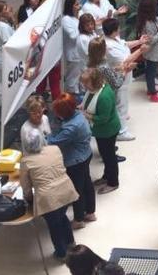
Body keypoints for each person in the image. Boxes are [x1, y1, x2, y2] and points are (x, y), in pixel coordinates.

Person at [20, 128, 78, 259]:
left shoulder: (26, 160)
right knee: (62, 217)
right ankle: (71, 244)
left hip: (47, 197)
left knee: (54, 225)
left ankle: (62, 254)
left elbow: (26, 186)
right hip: (66, 190)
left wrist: (29, 199)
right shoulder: (55, 149)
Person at [48, 93, 96, 230]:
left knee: (76, 191)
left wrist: (43, 136)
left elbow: (54, 142)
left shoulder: (71, 127)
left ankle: (79, 219)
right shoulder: (79, 115)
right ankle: (90, 212)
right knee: (87, 184)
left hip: (75, 161)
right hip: (86, 154)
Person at [103, 18, 148, 141]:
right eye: (118, 28)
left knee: (121, 103)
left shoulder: (115, 39)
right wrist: (140, 50)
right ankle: (121, 132)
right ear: (114, 30)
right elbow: (125, 61)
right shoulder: (109, 46)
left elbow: (125, 44)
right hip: (118, 78)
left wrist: (139, 41)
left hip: (125, 76)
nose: (120, 29)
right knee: (121, 104)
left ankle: (119, 126)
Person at [80, 68, 120, 195]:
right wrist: (83, 107)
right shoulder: (94, 90)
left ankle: (113, 182)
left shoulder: (104, 96)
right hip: (100, 131)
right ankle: (106, 177)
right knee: (105, 154)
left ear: (95, 81)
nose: (84, 85)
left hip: (107, 130)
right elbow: (89, 101)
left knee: (109, 157)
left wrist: (87, 115)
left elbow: (103, 118)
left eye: (86, 83)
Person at [134, 0, 158, 103]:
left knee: (151, 71)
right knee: (151, 72)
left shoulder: (153, 18)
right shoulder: (147, 23)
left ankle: (151, 89)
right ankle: (152, 94)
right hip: (151, 51)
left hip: (154, 50)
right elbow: (152, 40)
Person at [61, 0, 83, 94]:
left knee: (82, 76)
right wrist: (83, 27)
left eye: (79, 4)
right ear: (70, 6)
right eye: (77, 4)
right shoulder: (66, 19)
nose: (80, 6)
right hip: (73, 53)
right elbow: (73, 36)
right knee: (72, 78)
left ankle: (80, 95)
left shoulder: (78, 17)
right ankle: (71, 96)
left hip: (82, 52)